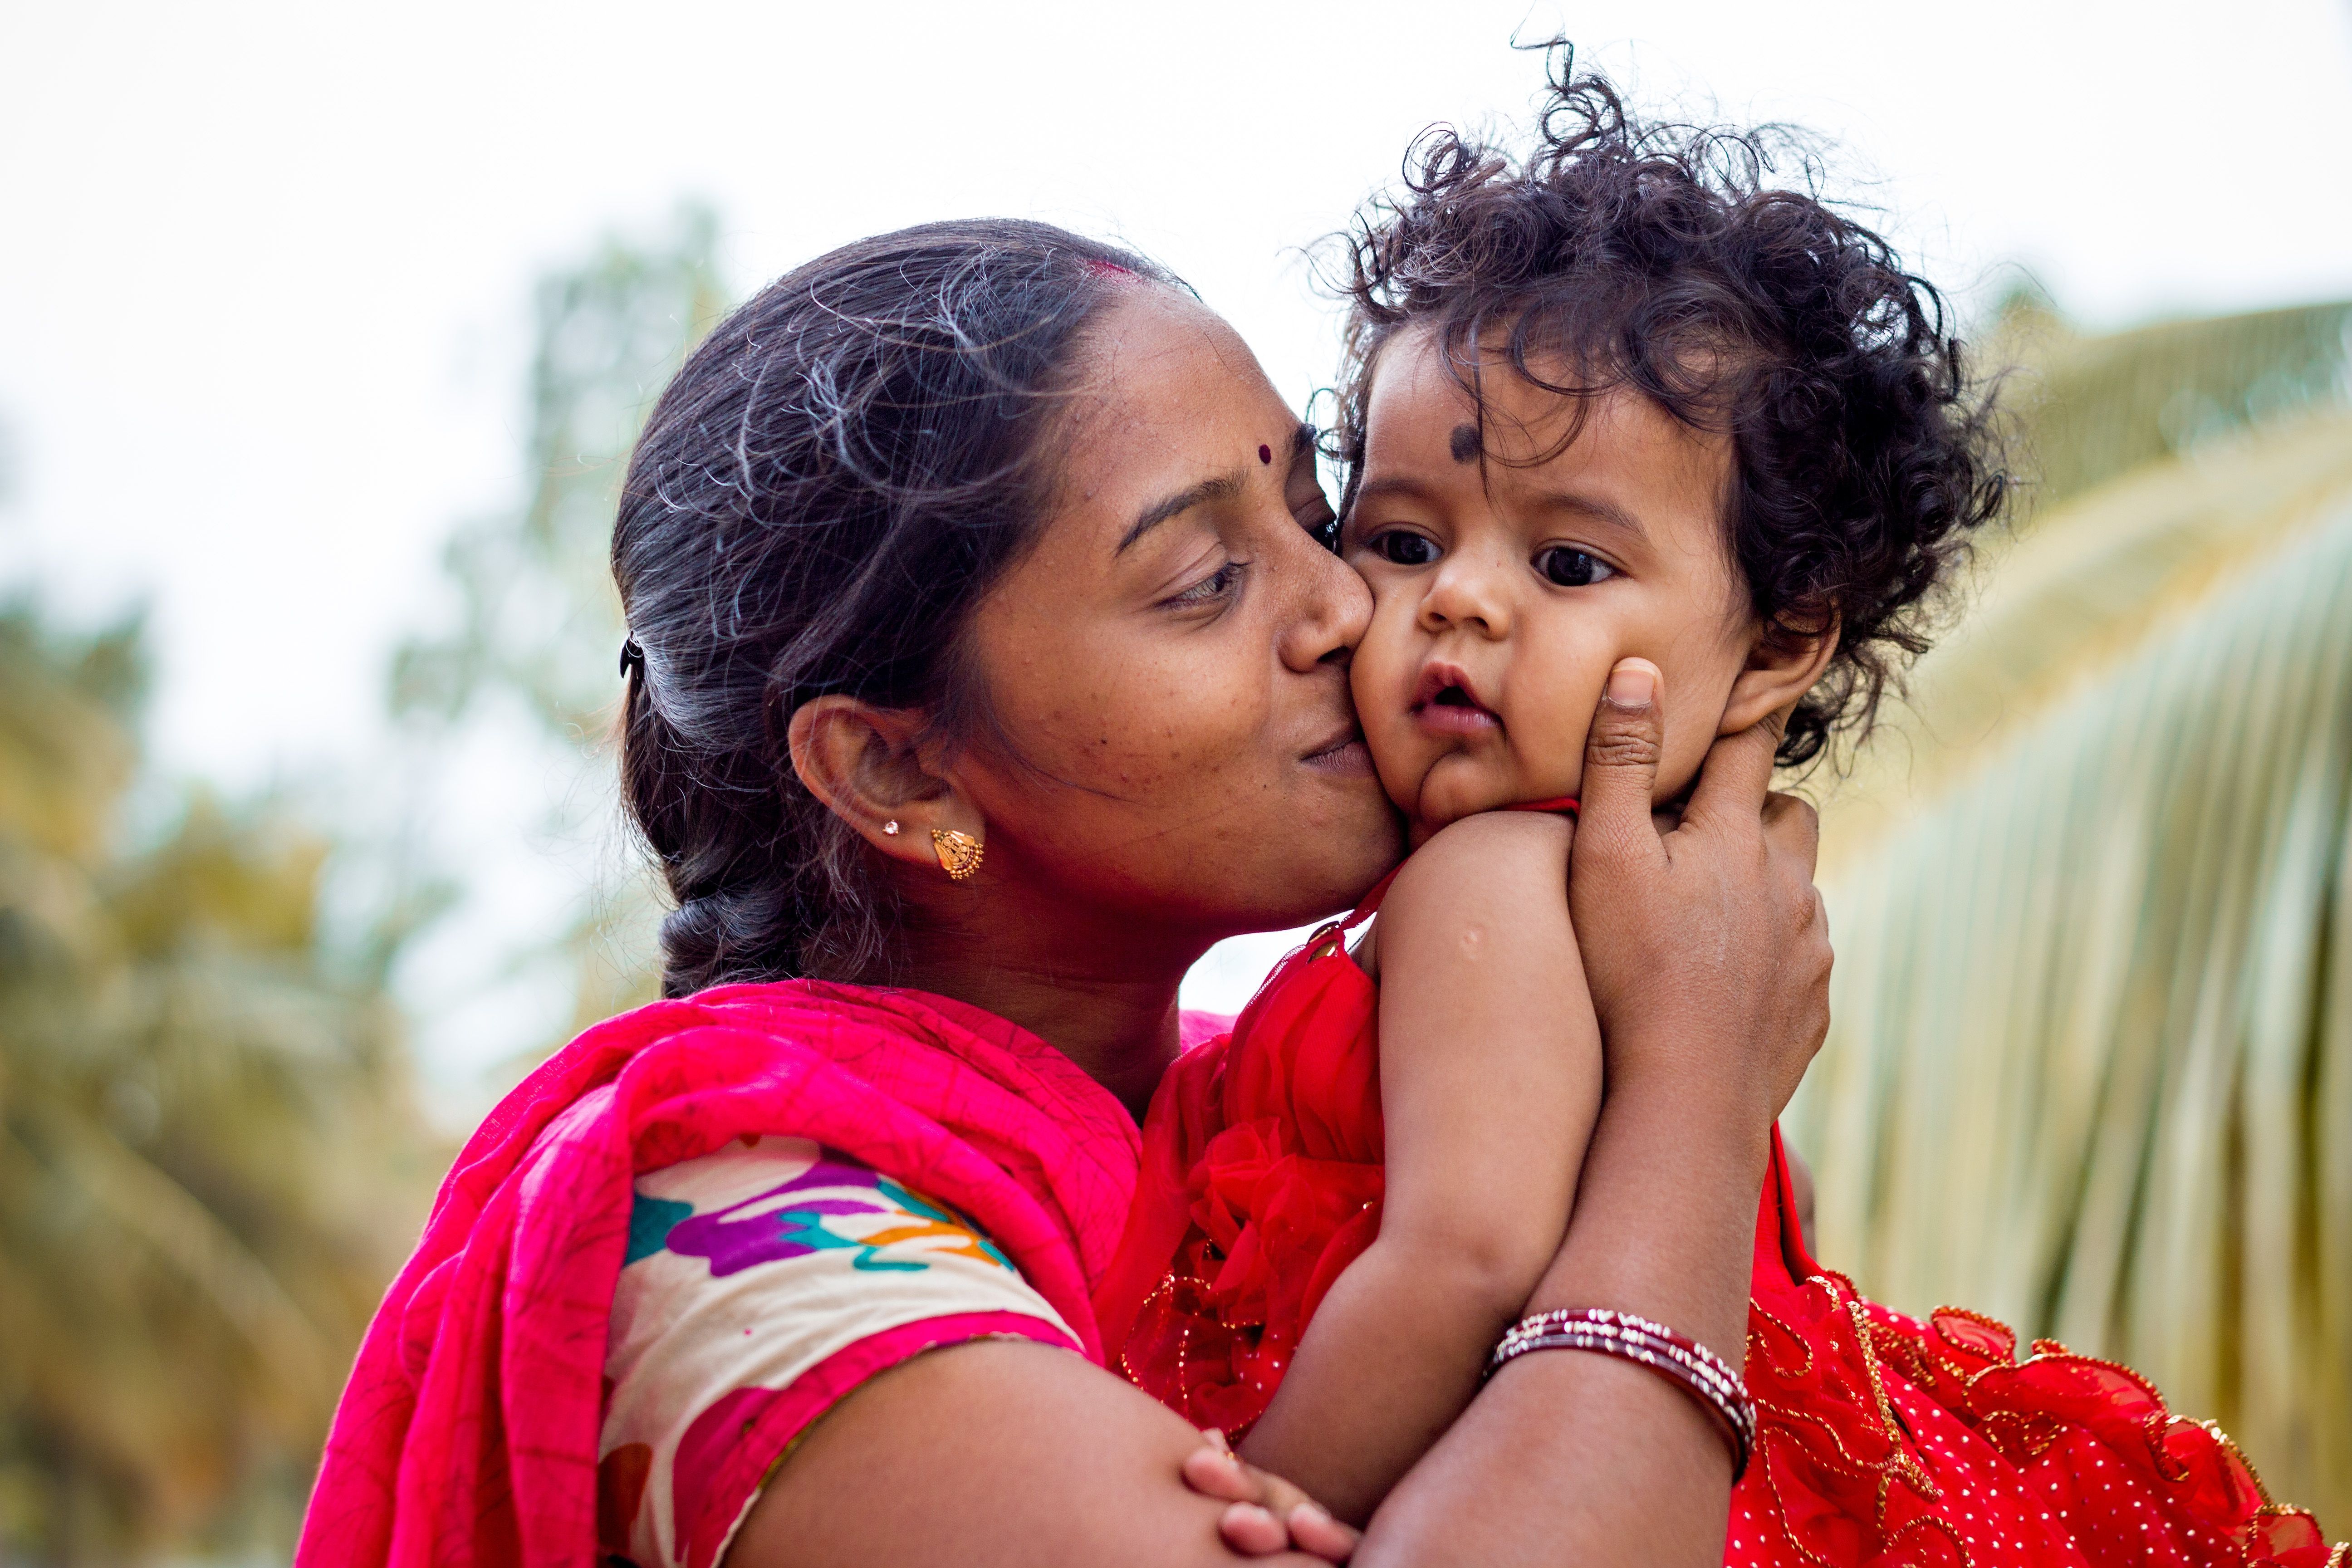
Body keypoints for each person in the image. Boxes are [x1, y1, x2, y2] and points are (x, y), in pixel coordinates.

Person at [294, 218, 1832, 1568]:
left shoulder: (1265, 1126)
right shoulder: (739, 1247)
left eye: (1315, 514)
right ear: (900, 773)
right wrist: (1695, 1093)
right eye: (1204, 584)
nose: (1356, 606)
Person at [1097, 53, 2344, 1568]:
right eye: (1406, 538)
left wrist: (1241, 1505)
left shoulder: (1490, 881)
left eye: (1568, 567)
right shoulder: (1686, 921)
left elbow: (1468, 1254)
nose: (1462, 603)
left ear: (1773, 644)